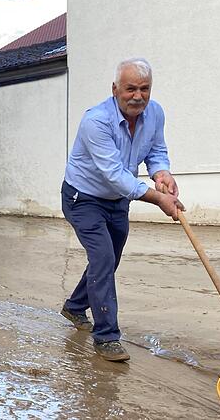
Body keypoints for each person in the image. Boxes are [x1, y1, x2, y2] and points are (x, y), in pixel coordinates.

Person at [60, 58, 183, 362]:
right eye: (130, 89)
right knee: (102, 258)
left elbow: (155, 150)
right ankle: (106, 338)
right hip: (84, 198)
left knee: (109, 260)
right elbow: (113, 174)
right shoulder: (96, 121)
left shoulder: (154, 113)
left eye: (144, 89)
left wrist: (161, 172)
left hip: (118, 201)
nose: (137, 96)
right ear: (115, 89)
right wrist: (158, 198)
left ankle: (75, 306)